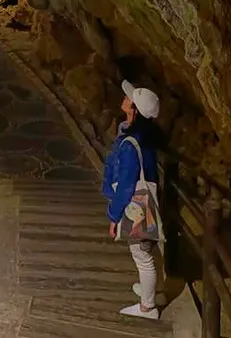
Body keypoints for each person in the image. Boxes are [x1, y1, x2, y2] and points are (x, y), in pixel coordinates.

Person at [102, 79, 161, 320]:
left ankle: (148, 307)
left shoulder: (131, 144)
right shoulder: (146, 136)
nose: (124, 98)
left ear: (134, 109)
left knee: (142, 256)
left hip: (137, 206)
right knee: (146, 251)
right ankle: (148, 289)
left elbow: (126, 184)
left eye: (129, 99)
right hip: (146, 199)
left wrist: (114, 216)